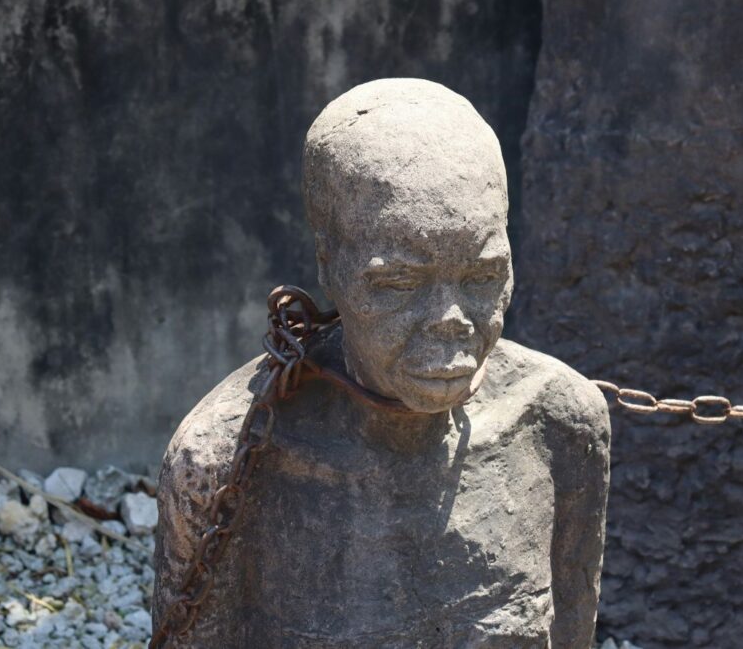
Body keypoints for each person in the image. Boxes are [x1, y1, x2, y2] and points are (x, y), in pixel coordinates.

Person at [153, 78, 610, 648]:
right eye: (399, 283)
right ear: (330, 264)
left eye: (482, 276)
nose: (452, 320)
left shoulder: (560, 425)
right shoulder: (225, 461)